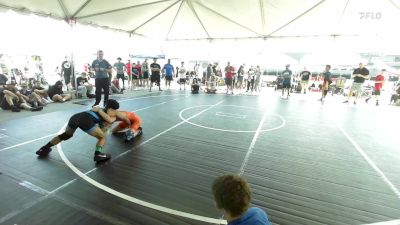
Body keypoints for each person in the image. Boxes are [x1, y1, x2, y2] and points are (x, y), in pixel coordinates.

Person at [36, 99, 124, 162]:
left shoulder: (100, 109)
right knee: (102, 137)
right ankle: (98, 154)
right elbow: (109, 119)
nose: (115, 112)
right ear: (111, 109)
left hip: (75, 117)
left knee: (66, 135)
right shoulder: (103, 111)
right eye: (114, 110)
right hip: (86, 120)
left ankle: (43, 148)